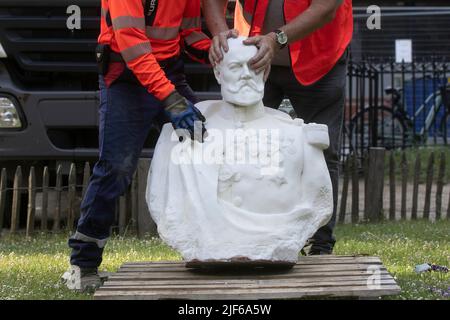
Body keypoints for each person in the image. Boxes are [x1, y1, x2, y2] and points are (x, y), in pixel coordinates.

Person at [62, 0, 211, 292]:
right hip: (126, 78)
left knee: (209, 148)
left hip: (169, 73)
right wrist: (171, 98)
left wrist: (221, 51)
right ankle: (82, 266)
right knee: (116, 168)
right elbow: (133, 48)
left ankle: (217, 249)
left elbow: (191, 35)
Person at [147, 36, 333, 264]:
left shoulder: (298, 135)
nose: (246, 74)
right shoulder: (180, 136)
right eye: (235, 67)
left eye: (255, 66)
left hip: (279, 245)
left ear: (265, 73)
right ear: (218, 73)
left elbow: (318, 202)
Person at [203, 0, 353, 255]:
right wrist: (221, 35)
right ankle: (247, 233)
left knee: (321, 149)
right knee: (246, 144)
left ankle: (321, 243)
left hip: (319, 58)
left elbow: (325, 8)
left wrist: (277, 39)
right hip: (254, 58)